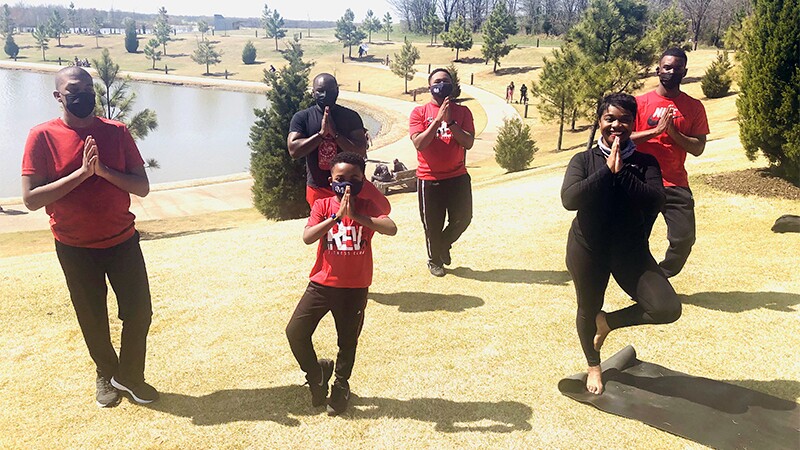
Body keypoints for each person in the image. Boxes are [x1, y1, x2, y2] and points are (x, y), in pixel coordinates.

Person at [21, 66, 158, 407]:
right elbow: (32, 199)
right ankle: (105, 374)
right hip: (74, 246)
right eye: (73, 89)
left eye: (88, 88)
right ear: (59, 96)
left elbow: (142, 185)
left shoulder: (116, 131)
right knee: (92, 317)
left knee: (139, 312)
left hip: (122, 240)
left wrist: (104, 172)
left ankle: (129, 376)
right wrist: (81, 174)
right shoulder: (42, 137)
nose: (83, 94)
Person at [561, 93, 682, 395]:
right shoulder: (583, 160)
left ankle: (608, 322)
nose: (617, 125)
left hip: (631, 251)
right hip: (588, 248)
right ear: (599, 122)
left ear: (633, 123)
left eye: (625, 119)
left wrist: (623, 172)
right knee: (587, 306)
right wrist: (606, 171)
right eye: (610, 119)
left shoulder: (644, 162)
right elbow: (569, 199)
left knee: (667, 308)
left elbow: (656, 199)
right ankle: (593, 365)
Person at [286, 151, 397, 416]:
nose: (347, 183)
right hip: (322, 284)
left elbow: (391, 227)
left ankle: (341, 385)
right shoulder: (322, 205)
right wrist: (337, 217)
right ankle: (316, 375)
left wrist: (356, 215)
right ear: (330, 178)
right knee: (296, 332)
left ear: (362, 180)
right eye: (340, 178)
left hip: (355, 288)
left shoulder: (368, 206)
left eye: (354, 178)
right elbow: (308, 237)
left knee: (347, 342)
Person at [632, 47, 709, 278]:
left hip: (675, 182)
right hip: (642, 180)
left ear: (684, 72)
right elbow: (625, 140)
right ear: (658, 70)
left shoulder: (694, 107)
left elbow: (698, 148)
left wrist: (673, 132)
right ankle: (640, 280)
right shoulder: (639, 103)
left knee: (684, 238)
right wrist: (655, 130)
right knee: (634, 238)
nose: (671, 72)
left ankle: (661, 276)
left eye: (677, 68)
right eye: (667, 67)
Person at [288, 73, 391, 215]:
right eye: (320, 91)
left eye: (330, 91)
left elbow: (360, 152)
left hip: (353, 184)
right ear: (313, 93)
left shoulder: (350, 116)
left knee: (382, 210)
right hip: (319, 187)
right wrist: (321, 135)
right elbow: (294, 151)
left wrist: (336, 135)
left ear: (337, 91)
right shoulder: (302, 118)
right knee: (327, 230)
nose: (325, 95)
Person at [410, 68, 475, 277]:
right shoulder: (419, 113)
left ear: (452, 86)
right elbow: (419, 144)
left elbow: (468, 142)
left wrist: (450, 122)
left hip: (457, 176)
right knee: (432, 225)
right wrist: (437, 120)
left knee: (464, 218)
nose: (442, 84)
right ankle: (434, 259)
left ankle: (443, 245)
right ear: (430, 86)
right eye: (437, 81)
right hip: (429, 179)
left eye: (446, 81)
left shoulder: (463, 112)